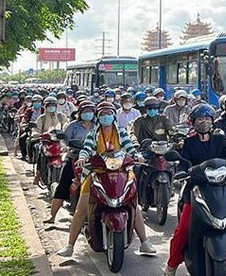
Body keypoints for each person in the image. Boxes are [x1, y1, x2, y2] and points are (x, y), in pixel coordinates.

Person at [57, 102, 155, 257]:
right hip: (97, 173)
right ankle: (70, 246)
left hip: (122, 173)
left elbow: (130, 147)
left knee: (133, 206)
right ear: (98, 117)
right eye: (102, 115)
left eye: (108, 114)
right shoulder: (93, 134)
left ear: (113, 116)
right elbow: (86, 148)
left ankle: (144, 242)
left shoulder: (121, 131)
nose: (105, 117)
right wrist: (83, 158)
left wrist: (138, 156)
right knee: (81, 209)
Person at [164, 103, 226, 275]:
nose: (204, 122)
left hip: (223, 189)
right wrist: (181, 172)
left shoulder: (220, 140)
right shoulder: (188, 143)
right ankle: (171, 267)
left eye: (207, 119)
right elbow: (183, 164)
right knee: (183, 229)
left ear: (212, 121)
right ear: (193, 122)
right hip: (196, 190)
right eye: (200, 119)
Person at [44, 101, 96, 225]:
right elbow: (64, 141)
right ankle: (52, 216)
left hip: (94, 159)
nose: (88, 114)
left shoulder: (98, 126)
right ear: (80, 113)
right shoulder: (73, 126)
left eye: (91, 111)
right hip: (74, 157)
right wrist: (65, 147)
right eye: (85, 111)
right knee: (63, 184)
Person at [31, 96, 68, 185]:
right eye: (49, 105)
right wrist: (36, 134)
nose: (51, 107)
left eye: (53, 105)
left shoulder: (61, 116)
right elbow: (36, 129)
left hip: (60, 141)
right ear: (45, 106)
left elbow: (66, 125)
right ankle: (38, 175)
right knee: (41, 154)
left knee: (66, 156)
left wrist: (65, 131)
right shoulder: (42, 118)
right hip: (46, 141)